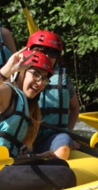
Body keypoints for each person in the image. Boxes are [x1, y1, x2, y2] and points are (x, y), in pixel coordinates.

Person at [0, 49, 77, 190]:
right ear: (21, 72)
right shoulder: (6, 92)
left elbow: (19, 153)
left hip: (1, 166)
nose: (39, 83)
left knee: (59, 164)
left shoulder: (26, 107)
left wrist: (41, 156)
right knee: (64, 177)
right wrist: (5, 71)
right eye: (35, 74)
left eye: (44, 79)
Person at [25, 31, 81, 160]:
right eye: (41, 51)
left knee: (64, 142)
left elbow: (75, 108)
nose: (47, 56)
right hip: (25, 136)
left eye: (52, 54)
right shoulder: (21, 75)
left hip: (52, 137)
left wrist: (68, 132)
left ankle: (55, 170)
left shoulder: (63, 80)